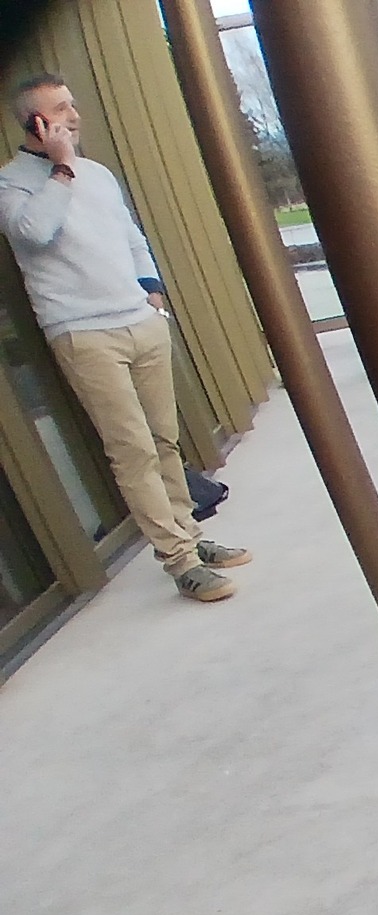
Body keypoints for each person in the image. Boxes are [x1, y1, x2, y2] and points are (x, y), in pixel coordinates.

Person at [0, 74, 248, 603]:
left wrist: (151, 291)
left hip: (140, 322)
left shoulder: (98, 174)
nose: (74, 116)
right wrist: (61, 168)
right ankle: (179, 561)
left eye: (72, 105)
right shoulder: (13, 184)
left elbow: (132, 236)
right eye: (60, 110)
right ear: (34, 123)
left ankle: (191, 537)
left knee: (164, 440)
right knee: (132, 450)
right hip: (84, 334)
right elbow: (34, 233)